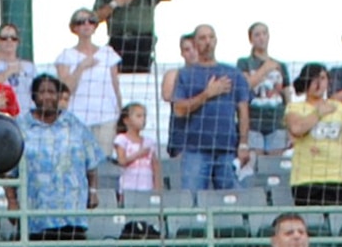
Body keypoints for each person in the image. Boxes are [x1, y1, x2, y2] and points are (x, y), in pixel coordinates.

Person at [19, 71, 107, 247]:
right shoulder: (20, 126)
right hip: (37, 212)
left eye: (52, 92)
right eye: (42, 92)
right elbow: (7, 169)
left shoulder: (74, 124)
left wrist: (93, 191)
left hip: (72, 209)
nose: (47, 97)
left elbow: (91, 161)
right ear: (33, 96)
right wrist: (12, 202)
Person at [169, 24, 251, 191]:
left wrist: (243, 144)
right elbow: (178, 109)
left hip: (227, 147)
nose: (208, 41)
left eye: (211, 37)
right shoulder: (185, 74)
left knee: (231, 200)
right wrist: (208, 93)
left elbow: (243, 111)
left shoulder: (233, 73)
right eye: (202, 38)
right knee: (192, 200)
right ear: (195, 43)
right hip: (195, 149)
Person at [283, 62, 342, 207]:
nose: (318, 83)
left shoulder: (339, 108)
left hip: (335, 177)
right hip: (305, 178)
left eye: (322, 78)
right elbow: (296, 129)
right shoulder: (295, 107)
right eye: (314, 78)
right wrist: (318, 113)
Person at [52, 8, 121, 148]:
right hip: (77, 117)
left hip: (107, 116)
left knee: (103, 162)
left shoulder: (108, 53)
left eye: (91, 21)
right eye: (81, 22)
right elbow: (65, 89)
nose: (86, 25)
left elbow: (115, 87)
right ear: (74, 28)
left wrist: (120, 113)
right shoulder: (66, 56)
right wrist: (81, 67)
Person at [94, 0, 171, 75]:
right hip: (118, 43)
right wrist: (114, 4)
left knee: (142, 78)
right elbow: (95, 18)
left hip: (143, 43)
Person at [237, 22, 290, 161]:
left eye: (264, 33)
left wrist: (290, 126)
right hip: (254, 122)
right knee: (255, 163)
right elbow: (245, 86)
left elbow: (287, 96)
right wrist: (265, 69)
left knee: (274, 165)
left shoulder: (280, 65)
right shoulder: (244, 63)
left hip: (277, 121)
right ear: (251, 39)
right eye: (257, 35)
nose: (261, 38)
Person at [113, 103, 157, 195]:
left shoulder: (149, 142)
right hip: (128, 188)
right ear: (126, 120)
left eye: (144, 116)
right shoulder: (122, 139)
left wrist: (157, 189)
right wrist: (138, 154)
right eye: (138, 116)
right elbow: (122, 161)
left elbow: (156, 168)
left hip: (147, 188)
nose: (143, 120)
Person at [0, 22, 35, 98]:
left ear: (18, 42)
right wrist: (8, 72)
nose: (9, 41)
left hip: (25, 109)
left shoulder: (29, 66)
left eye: (13, 38)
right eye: (4, 38)